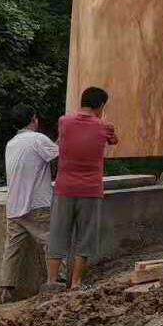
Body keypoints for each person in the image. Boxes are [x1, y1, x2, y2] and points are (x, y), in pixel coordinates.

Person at [48, 86, 118, 293]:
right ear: (101, 106)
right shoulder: (104, 127)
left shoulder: (64, 122)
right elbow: (114, 141)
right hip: (90, 189)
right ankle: (76, 283)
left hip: (64, 188)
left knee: (59, 233)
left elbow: (61, 141)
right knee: (85, 237)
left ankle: (52, 282)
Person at [0, 109, 58, 303]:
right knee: (52, 241)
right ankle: (58, 280)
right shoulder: (37, 139)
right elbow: (60, 153)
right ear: (34, 120)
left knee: (12, 249)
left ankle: (5, 290)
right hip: (36, 204)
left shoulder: (11, 143)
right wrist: (67, 133)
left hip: (14, 206)